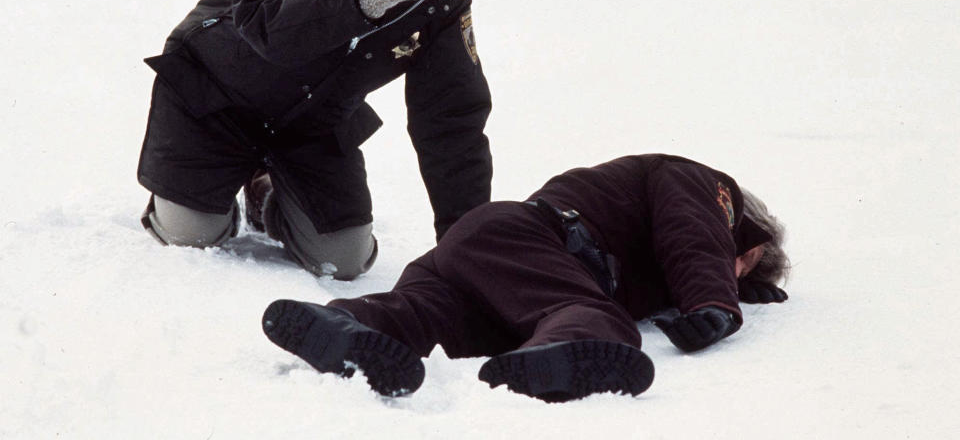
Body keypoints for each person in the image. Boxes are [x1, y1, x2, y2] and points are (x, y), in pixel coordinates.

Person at [136, 0, 492, 280]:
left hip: (311, 122)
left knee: (343, 261)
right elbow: (261, 24)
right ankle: (202, 194)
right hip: (216, 93)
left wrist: (468, 245)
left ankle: (265, 192)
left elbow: (451, 120)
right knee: (192, 234)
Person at [261, 153, 790, 401]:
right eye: (743, 262)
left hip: (486, 262)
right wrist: (715, 302)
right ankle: (570, 347)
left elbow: (684, 257)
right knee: (588, 315)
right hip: (533, 239)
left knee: (421, 315)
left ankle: (347, 326)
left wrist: (727, 289)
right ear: (749, 237)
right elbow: (693, 235)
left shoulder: (658, 254)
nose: (734, 271)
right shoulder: (708, 189)